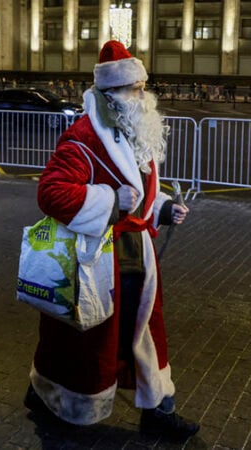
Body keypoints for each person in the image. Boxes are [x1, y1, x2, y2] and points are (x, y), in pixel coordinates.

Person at [24, 40, 199, 441]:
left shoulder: (132, 132)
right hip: (99, 260)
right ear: (112, 94)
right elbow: (51, 192)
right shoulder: (84, 136)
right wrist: (108, 201)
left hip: (135, 254)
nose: (144, 95)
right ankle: (48, 394)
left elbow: (140, 191)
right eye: (136, 88)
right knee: (83, 341)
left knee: (143, 331)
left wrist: (163, 208)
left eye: (143, 86)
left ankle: (157, 408)